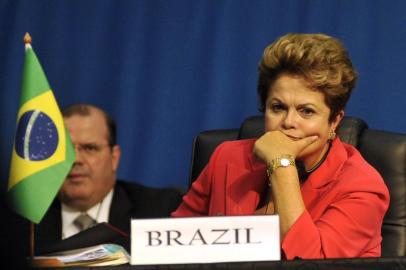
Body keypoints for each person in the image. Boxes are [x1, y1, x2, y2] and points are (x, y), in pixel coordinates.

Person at [172, 33, 390, 259]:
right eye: (278, 107)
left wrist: (281, 163)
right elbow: (173, 245)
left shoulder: (362, 187)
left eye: (306, 111)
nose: (288, 122)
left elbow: (311, 262)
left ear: (334, 121)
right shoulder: (227, 157)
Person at [35, 104, 182, 253]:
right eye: (65, 150)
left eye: (89, 148)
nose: (76, 159)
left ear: (114, 158)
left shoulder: (161, 212)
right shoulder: (22, 222)